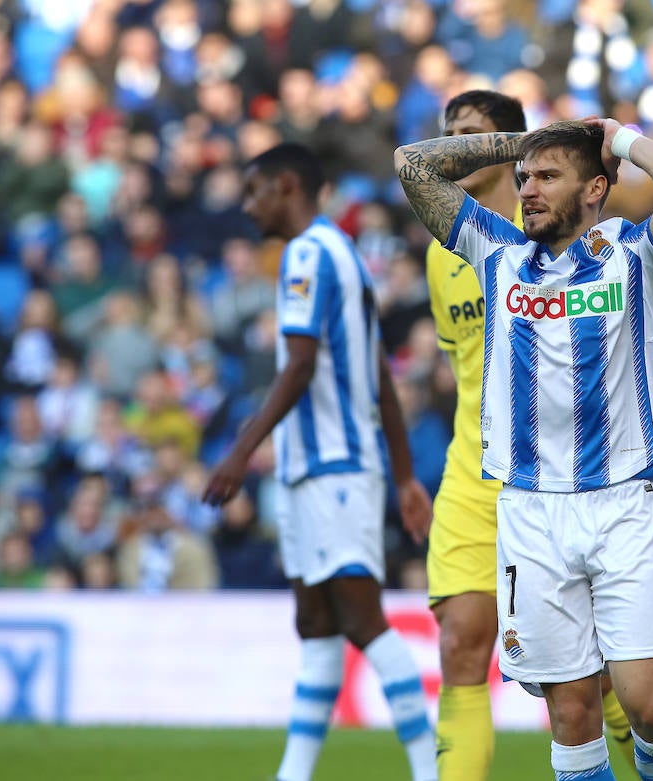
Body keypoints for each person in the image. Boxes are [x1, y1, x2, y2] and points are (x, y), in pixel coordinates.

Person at [396, 116, 653, 781]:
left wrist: (616, 136)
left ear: (596, 187)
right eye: (523, 180)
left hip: (623, 502)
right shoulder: (498, 253)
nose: (528, 190)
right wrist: (527, 144)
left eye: (548, 177)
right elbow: (413, 165)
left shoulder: (637, 257)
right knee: (571, 712)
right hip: (530, 511)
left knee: (651, 707)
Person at [202, 143, 436, 781]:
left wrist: (238, 451)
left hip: (333, 466)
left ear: (285, 186)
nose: (247, 206)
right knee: (314, 623)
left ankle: (429, 770)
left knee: (364, 621)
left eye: (253, 191)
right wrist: (405, 474)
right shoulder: (343, 255)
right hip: (319, 468)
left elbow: (301, 365)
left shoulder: (306, 254)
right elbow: (380, 378)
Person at [422, 91, 637, 780]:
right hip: (470, 471)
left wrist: (532, 150)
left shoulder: (555, 223)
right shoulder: (440, 247)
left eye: (474, 134)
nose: (457, 144)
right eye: (449, 133)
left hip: (558, 473)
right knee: (460, 647)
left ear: (510, 145)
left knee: (585, 681)